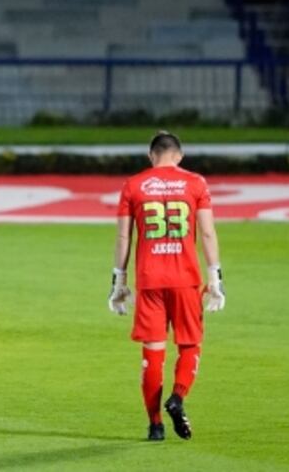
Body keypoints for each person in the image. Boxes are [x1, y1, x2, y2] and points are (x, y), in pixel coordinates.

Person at [108, 130, 225, 441]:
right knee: (190, 344)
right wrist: (215, 276)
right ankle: (178, 397)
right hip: (186, 279)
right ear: (180, 155)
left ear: (151, 156)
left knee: (153, 353)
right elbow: (208, 233)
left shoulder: (133, 185)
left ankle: (155, 425)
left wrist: (119, 281)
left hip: (150, 280)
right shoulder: (196, 183)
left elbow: (123, 236)